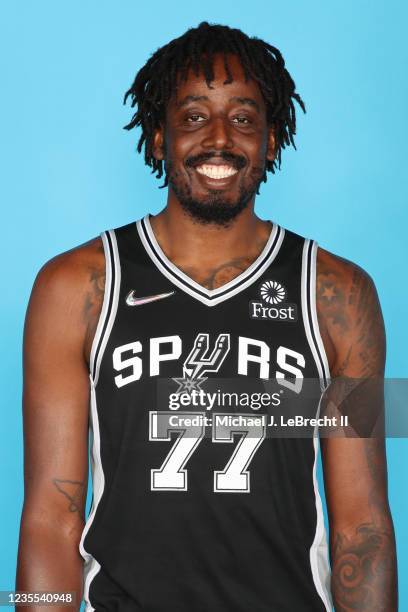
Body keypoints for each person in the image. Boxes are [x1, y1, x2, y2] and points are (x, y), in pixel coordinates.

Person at [16, 21, 397, 612]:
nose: (219, 138)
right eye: (193, 116)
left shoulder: (341, 294)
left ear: (272, 141)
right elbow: (47, 517)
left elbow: (364, 526)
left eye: (244, 118)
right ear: (156, 137)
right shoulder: (72, 287)